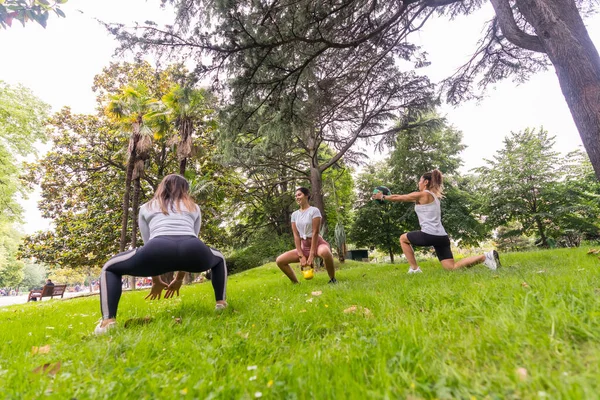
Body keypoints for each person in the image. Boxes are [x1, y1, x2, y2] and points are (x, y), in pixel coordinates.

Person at [95, 174, 228, 335]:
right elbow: (191, 239)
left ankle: (108, 322)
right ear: (185, 190)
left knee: (110, 267)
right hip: (193, 249)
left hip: (158, 247)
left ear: (161, 187)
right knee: (219, 258)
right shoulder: (194, 207)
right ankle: (221, 304)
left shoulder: (146, 207)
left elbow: (148, 245)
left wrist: (156, 280)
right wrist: (179, 279)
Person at [371, 169, 500, 273]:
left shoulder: (423, 194)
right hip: (442, 237)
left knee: (403, 239)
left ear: (426, 182)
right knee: (451, 268)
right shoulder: (434, 197)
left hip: (429, 234)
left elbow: (400, 197)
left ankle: (415, 269)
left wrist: (382, 197)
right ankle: (485, 257)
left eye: (420, 181)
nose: (418, 183)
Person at [276, 187, 337, 284]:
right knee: (280, 261)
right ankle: (295, 283)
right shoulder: (295, 215)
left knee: (326, 252)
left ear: (307, 195)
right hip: (303, 247)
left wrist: (312, 255)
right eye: (295, 196)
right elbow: (296, 235)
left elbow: (315, 232)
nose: (297, 197)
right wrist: (301, 256)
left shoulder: (314, 210)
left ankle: (333, 279)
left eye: (299, 195)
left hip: (317, 244)